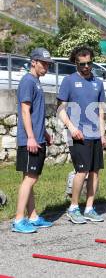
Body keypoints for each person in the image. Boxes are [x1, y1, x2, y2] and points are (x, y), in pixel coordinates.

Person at [57, 46, 106, 224]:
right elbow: (61, 109)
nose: (86, 67)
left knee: (95, 171)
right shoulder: (68, 81)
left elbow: (101, 111)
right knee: (82, 171)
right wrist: (71, 128)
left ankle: (89, 208)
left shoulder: (98, 82)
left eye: (89, 63)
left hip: (95, 135)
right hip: (77, 134)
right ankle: (73, 207)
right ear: (76, 63)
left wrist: (103, 134)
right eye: (82, 64)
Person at [12, 48, 54, 233]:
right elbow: (24, 110)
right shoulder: (28, 81)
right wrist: (30, 137)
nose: (46, 67)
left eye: (48, 64)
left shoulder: (35, 82)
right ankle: (19, 220)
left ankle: (33, 216)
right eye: (43, 63)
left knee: (29, 178)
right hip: (30, 140)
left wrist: (43, 132)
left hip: (37, 137)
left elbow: (35, 113)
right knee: (30, 179)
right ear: (33, 62)